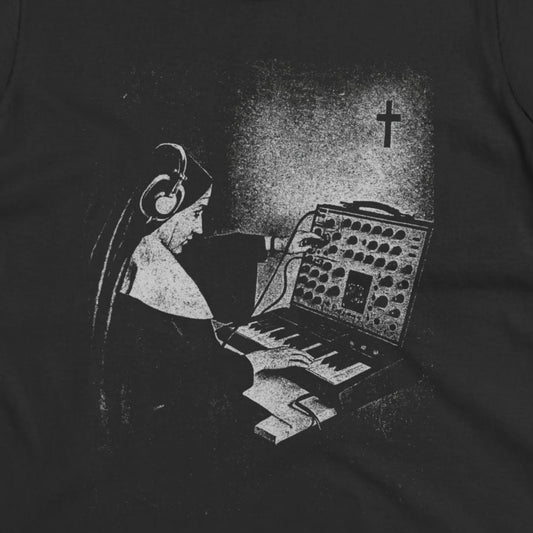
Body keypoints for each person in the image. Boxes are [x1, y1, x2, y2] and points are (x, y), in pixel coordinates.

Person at [88, 142, 317, 529]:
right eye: (196, 212)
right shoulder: (144, 283)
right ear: (164, 206)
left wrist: (277, 245)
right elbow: (193, 380)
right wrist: (261, 360)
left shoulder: (135, 247)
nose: (199, 227)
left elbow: (203, 250)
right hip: (163, 460)